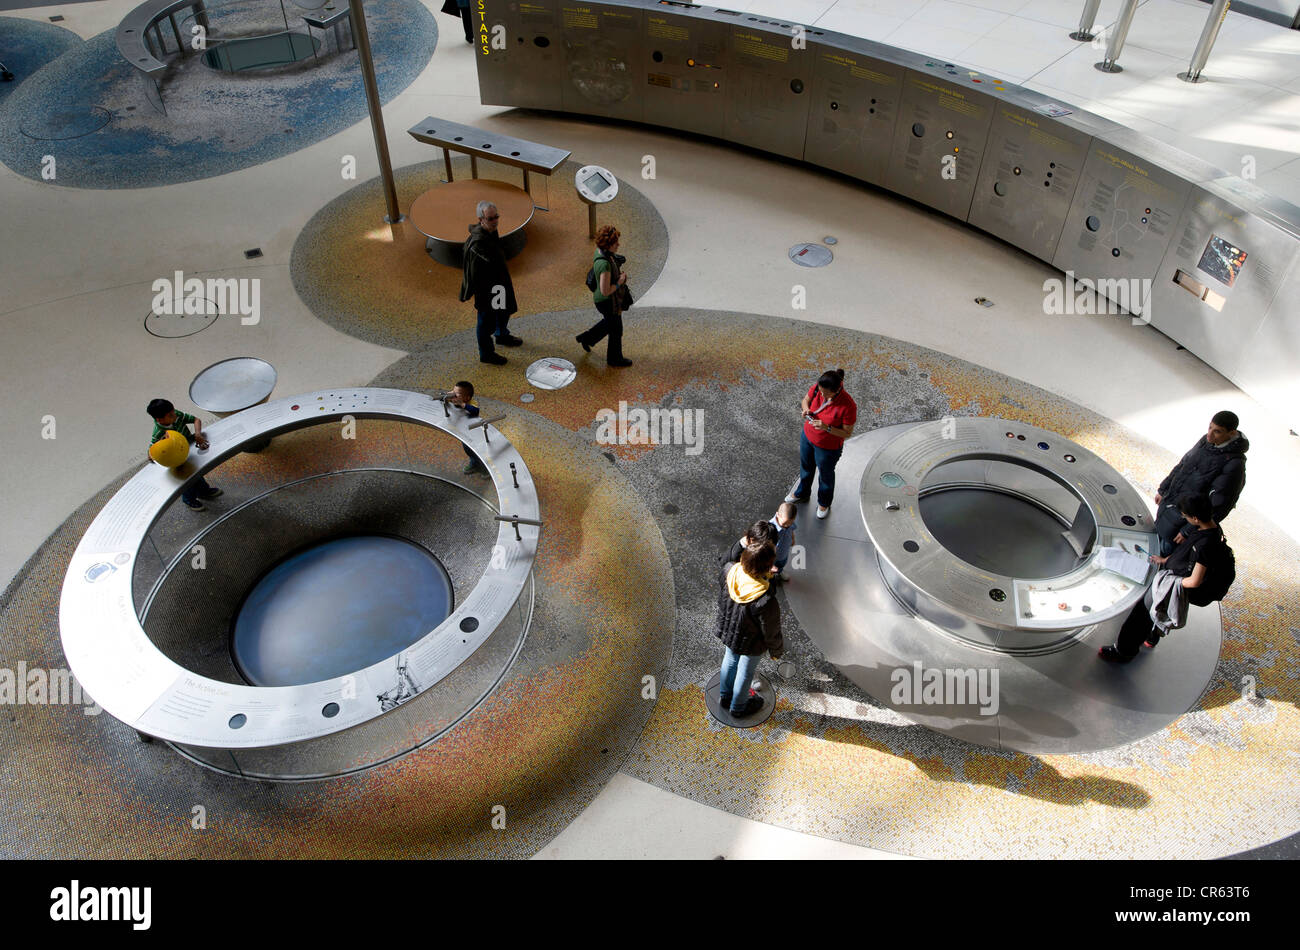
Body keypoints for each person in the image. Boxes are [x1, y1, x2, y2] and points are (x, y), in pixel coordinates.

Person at [1099, 493, 1231, 663]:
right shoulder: (1212, 528)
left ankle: (1123, 652)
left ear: (1196, 518)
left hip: (1171, 583)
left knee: (1141, 615)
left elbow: (1195, 580)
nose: (1185, 518)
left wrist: (1169, 582)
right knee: (1152, 614)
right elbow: (1184, 553)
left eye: (1186, 516)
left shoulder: (1206, 545)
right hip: (1171, 574)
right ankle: (1151, 637)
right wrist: (1165, 560)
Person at [1152, 410, 1247, 555]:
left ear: (1232, 433)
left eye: (1217, 432)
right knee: (1153, 542)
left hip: (1182, 526)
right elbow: (1183, 464)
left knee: (1162, 553)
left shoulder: (1234, 464)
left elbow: (1219, 506)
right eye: (1210, 427)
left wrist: (1187, 531)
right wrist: (1163, 489)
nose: (1210, 434)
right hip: (1169, 509)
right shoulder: (1205, 441)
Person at [715, 541, 783, 719]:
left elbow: (725, 558)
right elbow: (771, 630)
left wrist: (740, 543)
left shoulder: (730, 571)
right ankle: (739, 706)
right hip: (752, 643)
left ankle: (725, 696)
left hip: (729, 630)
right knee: (745, 672)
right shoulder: (765, 599)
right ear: (766, 568)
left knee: (729, 660)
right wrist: (776, 651)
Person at [785, 368, 857, 520]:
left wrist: (827, 427)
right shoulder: (819, 388)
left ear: (836, 390)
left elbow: (846, 433)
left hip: (828, 448)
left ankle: (824, 502)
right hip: (808, 437)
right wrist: (806, 409)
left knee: (825, 475)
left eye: (826, 394)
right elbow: (806, 400)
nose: (822, 395)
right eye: (820, 391)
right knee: (806, 467)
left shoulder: (848, 405)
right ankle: (802, 493)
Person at [460, 200, 521, 365]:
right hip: (487, 291)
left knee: (503, 311)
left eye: (496, 217)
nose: (495, 221)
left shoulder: (490, 231)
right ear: (481, 219)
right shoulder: (477, 244)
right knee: (485, 323)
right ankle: (486, 353)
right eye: (490, 218)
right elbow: (475, 273)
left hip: (498, 285)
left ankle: (501, 335)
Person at [146, 398, 222, 511]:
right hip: (176, 459)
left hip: (188, 450)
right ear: (160, 420)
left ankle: (203, 491)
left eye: (173, 412)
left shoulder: (177, 415)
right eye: (170, 415)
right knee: (187, 481)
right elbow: (152, 449)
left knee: (196, 473)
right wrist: (152, 456)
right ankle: (189, 500)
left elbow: (196, 420)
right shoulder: (159, 432)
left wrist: (197, 434)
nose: (174, 416)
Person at [576, 224, 632, 367]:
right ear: (608, 245)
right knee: (616, 328)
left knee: (610, 325)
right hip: (607, 301)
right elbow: (605, 291)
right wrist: (620, 281)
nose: (618, 245)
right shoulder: (604, 265)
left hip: (606, 301)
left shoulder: (601, 252)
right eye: (615, 243)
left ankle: (587, 339)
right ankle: (614, 359)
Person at [447, 381, 488, 476]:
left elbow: (475, 411)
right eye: (453, 391)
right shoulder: (453, 399)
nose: (453, 395)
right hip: (463, 430)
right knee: (468, 450)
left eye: (457, 394)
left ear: (467, 398)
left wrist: (462, 404)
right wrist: (446, 397)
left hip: (474, 432)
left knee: (477, 451)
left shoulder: (472, 403)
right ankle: (474, 463)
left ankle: (484, 468)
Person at [769, 502, 797, 581]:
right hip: (772, 556)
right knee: (771, 567)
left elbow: (791, 530)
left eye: (790, 523)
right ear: (778, 515)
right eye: (785, 523)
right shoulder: (771, 528)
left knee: (782, 563)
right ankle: (769, 576)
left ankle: (780, 571)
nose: (787, 525)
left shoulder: (789, 521)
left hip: (784, 552)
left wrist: (793, 539)